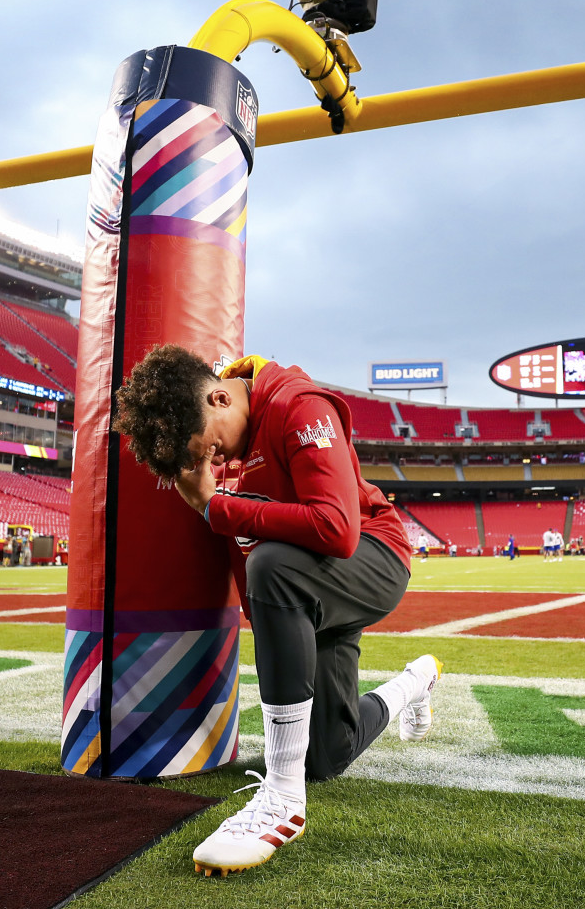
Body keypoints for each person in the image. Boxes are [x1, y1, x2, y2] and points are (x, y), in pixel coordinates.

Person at [111, 347, 439, 877]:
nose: (213, 460)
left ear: (221, 399)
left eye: (209, 446)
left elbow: (337, 528)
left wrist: (214, 506)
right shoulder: (230, 443)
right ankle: (416, 682)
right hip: (307, 585)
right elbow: (250, 559)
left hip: (373, 556)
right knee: (327, 756)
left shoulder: (298, 405)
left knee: (274, 565)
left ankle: (283, 798)